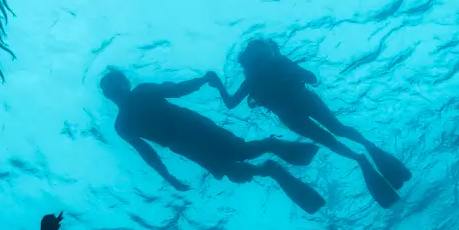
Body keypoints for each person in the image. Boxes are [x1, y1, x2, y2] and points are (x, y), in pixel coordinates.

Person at [209, 38, 411, 209]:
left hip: (297, 112)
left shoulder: (266, 72)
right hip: (300, 110)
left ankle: (364, 154)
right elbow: (311, 79)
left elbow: (231, 103)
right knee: (335, 135)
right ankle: (364, 154)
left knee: (334, 135)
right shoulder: (263, 74)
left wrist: (218, 84)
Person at [99, 69, 327, 215]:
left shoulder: (141, 94)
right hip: (184, 144)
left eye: (112, 84)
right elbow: (147, 153)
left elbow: (177, 90)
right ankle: (269, 168)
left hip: (194, 129)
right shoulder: (123, 124)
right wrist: (168, 177)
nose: (113, 90)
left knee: (241, 152)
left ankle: (271, 146)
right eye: (109, 87)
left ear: (120, 85)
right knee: (235, 172)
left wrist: (202, 80)